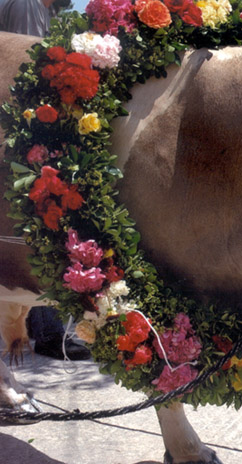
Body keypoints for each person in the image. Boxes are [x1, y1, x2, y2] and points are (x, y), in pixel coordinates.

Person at [0, 0, 90, 361]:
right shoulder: (25, 4)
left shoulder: (37, 7)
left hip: (24, 128)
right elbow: (28, 68)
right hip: (25, 130)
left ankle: (46, 331)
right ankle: (50, 334)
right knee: (45, 225)